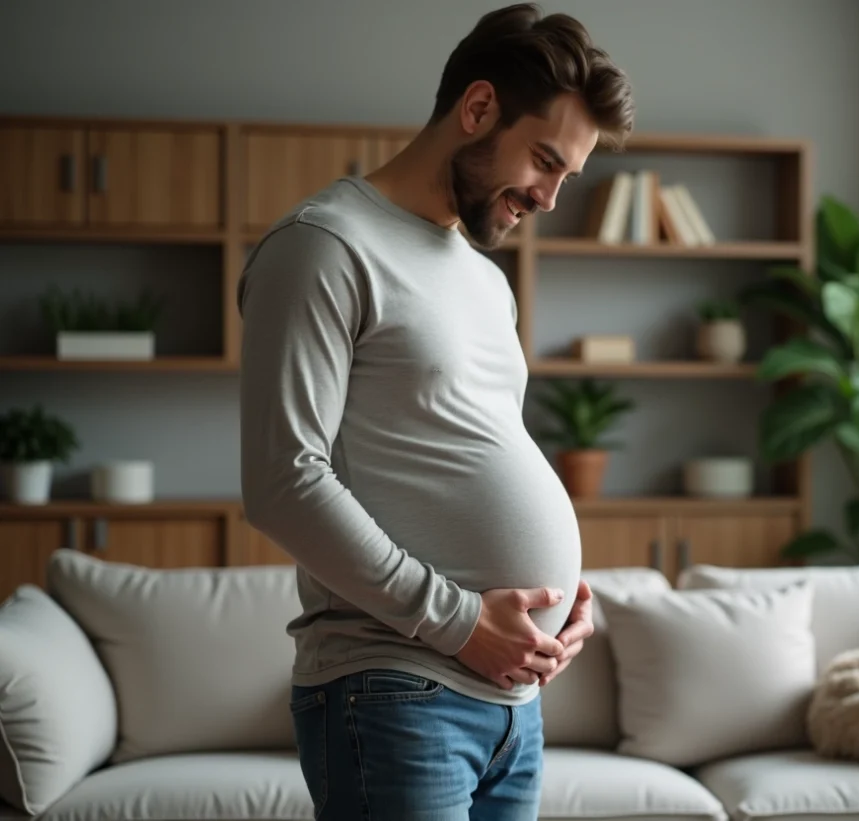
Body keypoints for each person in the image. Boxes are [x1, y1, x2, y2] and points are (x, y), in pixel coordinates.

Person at [235, 4, 634, 819]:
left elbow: (466, 447)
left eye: (571, 176)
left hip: (511, 708)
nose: (552, 198)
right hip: (394, 692)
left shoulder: (485, 279)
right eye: (544, 160)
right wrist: (461, 622)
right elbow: (283, 481)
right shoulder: (324, 245)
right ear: (478, 108)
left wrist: (554, 602)